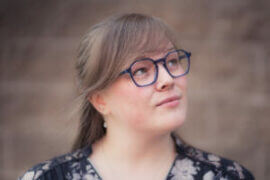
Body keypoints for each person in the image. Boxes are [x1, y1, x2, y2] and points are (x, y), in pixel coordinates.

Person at [19, 13, 254, 180]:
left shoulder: (227, 176)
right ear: (100, 99)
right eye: (141, 70)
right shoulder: (46, 178)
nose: (168, 79)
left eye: (172, 61)